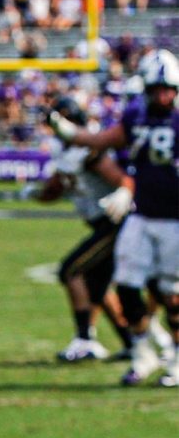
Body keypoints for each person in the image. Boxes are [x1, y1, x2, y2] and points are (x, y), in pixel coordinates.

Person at [49, 49, 179, 387]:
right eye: (157, 88)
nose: (163, 95)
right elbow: (102, 139)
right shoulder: (137, 116)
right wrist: (66, 131)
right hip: (143, 214)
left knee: (171, 292)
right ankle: (141, 351)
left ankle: (176, 357)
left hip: (175, 218)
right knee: (126, 284)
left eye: (168, 89)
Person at [25, 96, 134, 361]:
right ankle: (133, 343)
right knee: (98, 287)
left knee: (71, 270)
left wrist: (123, 193)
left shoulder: (89, 152)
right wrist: (36, 194)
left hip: (115, 223)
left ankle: (85, 339)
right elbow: (57, 187)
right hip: (100, 224)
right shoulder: (63, 151)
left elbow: (124, 181)